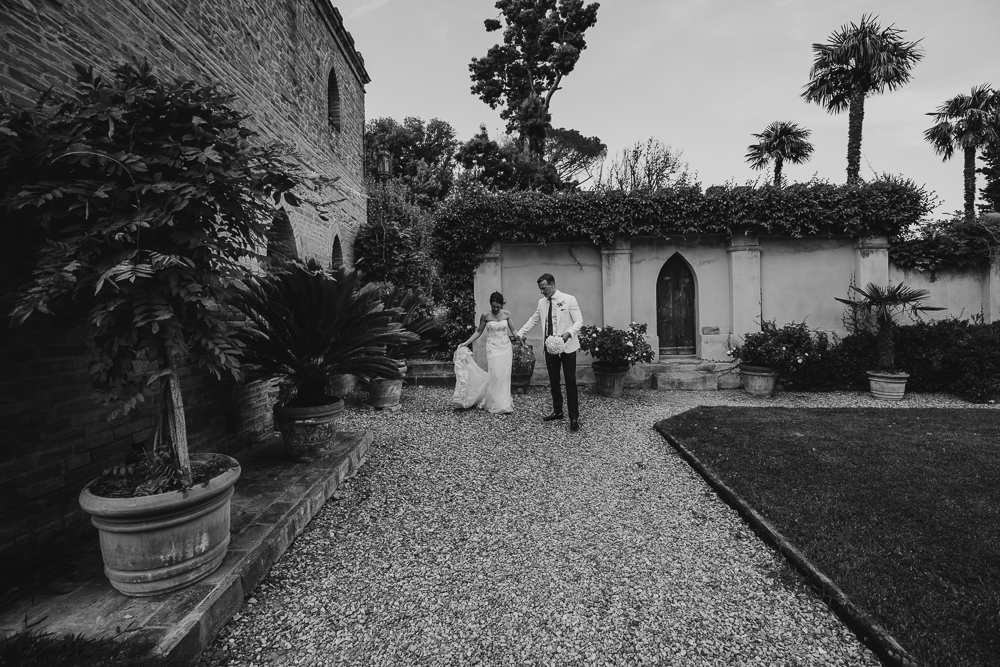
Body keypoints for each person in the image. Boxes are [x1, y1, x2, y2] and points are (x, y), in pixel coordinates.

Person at [516, 273, 583, 431]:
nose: (542, 292)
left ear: (552, 285)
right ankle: (558, 411)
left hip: (567, 347)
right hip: (550, 348)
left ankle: (574, 417)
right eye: (540, 289)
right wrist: (520, 333)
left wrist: (569, 334)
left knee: (570, 381)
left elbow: (579, 320)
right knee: (553, 381)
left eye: (544, 288)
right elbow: (534, 319)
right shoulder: (541, 302)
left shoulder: (569, 299)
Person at [452, 291, 516, 414]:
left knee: (505, 374)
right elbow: (478, 332)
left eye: (498, 306)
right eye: (494, 307)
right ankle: (493, 401)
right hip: (492, 347)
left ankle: (503, 403)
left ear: (502, 305)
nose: (496, 309)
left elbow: (513, 329)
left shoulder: (507, 314)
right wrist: (466, 342)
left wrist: (519, 337)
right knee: (495, 373)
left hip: (505, 347)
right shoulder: (485, 315)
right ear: (490, 304)